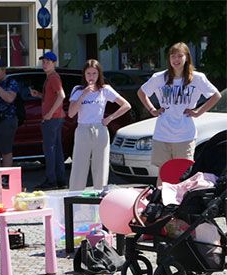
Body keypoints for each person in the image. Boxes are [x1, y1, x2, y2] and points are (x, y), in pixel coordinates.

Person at [138, 42, 221, 182]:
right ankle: (162, 201)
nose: (176, 60)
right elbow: (141, 92)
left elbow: (216, 95)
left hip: (185, 135)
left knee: (182, 173)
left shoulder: (197, 78)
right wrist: (152, 110)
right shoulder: (159, 77)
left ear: (186, 57)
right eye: (173, 56)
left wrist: (198, 112)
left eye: (179, 56)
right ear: (169, 59)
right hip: (162, 134)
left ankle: (180, 203)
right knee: (164, 173)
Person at [67, 60, 132, 191]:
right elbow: (71, 113)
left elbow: (126, 105)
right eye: (88, 73)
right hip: (83, 129)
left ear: (99, 74)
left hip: (99, 129)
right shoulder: (78, 90)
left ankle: (99, 197)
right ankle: (74, 198)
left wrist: (109, 118)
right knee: (79, 165)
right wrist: (84, 94)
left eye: (94, 73)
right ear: (84, 75)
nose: (91, 77)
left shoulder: (105, 90)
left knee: (100, 167)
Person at [30, 51, 67, 190]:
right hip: (56, 119)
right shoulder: (51, 77)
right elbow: (52, 97)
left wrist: (50, 113)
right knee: (57, 150)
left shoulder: (53, 78)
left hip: (52, 120)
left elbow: (61, 96)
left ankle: (51, 180)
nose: (44, 64)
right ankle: (60, 180)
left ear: (54, 63)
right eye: (43, 62)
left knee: (49, 150)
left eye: (48, 62)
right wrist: (39, 95)